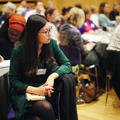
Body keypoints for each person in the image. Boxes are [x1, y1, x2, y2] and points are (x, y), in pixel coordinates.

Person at [9, 15, 78, 120]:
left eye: (49, 30)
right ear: (34, 34)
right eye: (45, 32)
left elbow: (67, 64)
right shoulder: (18, 51)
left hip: (46, 90)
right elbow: (14, 81)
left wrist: (52, 77)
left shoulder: (52, 44)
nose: (49, 35)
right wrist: (36, 90)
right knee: (45, 108)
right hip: (25, 94)